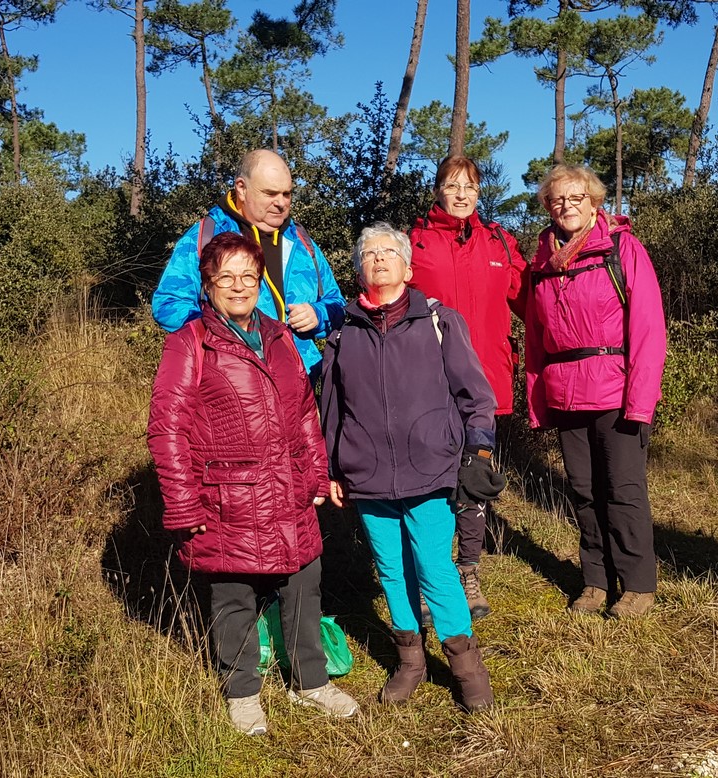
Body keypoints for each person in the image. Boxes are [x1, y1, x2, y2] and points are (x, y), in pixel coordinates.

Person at [148, 232, 360, 736]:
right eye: (227, 277)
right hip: (226, 496)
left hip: (287, 488)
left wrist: (315, 472)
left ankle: (310, 682)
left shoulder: (281, 336)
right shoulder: (190, 342)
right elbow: (168, 427)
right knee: (234, 597)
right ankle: (242, 693)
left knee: (304, 585)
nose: (240, 286)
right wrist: (183, 505)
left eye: (248, 275)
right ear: (209, 285)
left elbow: (304, 412)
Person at [318, 223, 504, 710]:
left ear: (407, 265)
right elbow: (332, 411)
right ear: (359, 269)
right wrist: (333, 469)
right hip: (369, 474)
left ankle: (467, 668)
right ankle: (410, 662)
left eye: (388, 252)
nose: (378, 259)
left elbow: (476, 396)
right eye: (369, 254)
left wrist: (478, 450)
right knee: (391, 571)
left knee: (435, 568)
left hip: (431, 468)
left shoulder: (440, 322)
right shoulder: (342, 333)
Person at [523, 165, 667, 620]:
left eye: (576, 197)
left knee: (623, 490)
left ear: (595, 202)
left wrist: (641, 401)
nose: (567, 206)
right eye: (557, 200)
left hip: (616, 392)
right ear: (548, 207)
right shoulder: (542, 264)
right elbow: (534, 337)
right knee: (583, 492)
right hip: (566, 393)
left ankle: (638, 585)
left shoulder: (622, 249)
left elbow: (648, 330)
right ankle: (595, 581)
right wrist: (537, 399)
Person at [408, 155, 527, 620]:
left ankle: (468, 570)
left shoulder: (499, 241)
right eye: (452, 185)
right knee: (428, 483)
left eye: (470, 187)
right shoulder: (414, 243)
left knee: (473, 480)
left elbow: (534, 299)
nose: (461, 195)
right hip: (428, 385)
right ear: (437, 189)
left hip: (486, 384)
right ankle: (427, 573)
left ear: (480, 193)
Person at [151, 148, 345, 373]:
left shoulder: (301, 242)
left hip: (301, 388)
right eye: (270, 194)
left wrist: (318, 315)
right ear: (241, 188)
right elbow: (167, 304)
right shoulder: (206, 236)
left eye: (287, 194)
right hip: (231, 386)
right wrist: (221, 335)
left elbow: (337, 303)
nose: (281, 203)